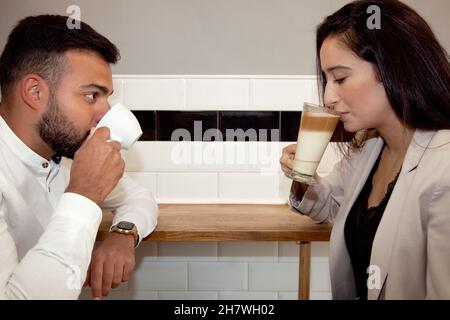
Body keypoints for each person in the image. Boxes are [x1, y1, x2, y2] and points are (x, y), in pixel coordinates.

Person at [280, 0, 450, 300]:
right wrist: (301, 173)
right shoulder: (368, 147)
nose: (329, 96)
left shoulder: (444, 168)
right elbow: (327, 205)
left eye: (341, 78)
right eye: (326, 79)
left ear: (391, 68)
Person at [0, 15, 158, 299]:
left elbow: (139, 198)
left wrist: (124, 233)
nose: (104, 114)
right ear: (35, 92)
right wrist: (83, 194)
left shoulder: (62, 153)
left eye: (106, 98)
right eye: (91, 96)